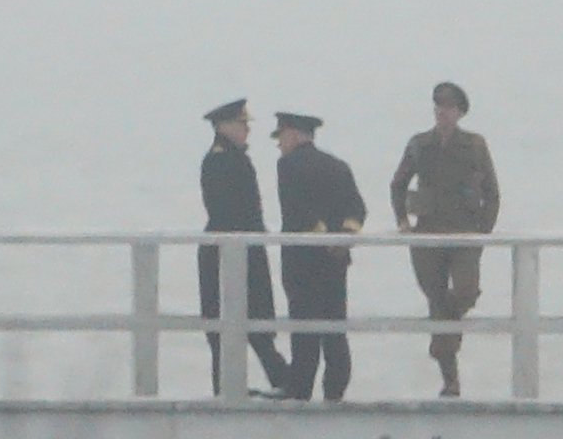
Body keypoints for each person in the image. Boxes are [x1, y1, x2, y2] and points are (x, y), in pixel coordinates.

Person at [390, 81, 500, 398]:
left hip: (464, 234)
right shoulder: (419, 144)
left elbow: (492, 192)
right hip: (427, 235)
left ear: (459, 112)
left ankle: (441, 342)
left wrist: (484, 231)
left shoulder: (474, 145)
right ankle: (450, 380)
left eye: (449, 108)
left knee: (466, 291)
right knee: (437, 302)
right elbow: (398, 183)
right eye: (439, 107)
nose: (443, 113)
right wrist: (402, 220)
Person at [197, 99, 290, 398]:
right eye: (242, 123)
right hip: (229, 250)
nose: (247, 129)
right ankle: (242, 384)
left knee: (258, 319)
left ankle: (279, 380)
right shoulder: (221, 159)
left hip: (245, 247)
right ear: (223, 126)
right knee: (229, 322)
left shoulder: (233, 157)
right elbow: (227, 210)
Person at [273, 111, 367, 402]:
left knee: (304, 331)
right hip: (335, 261)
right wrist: (344, 236)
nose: (279, 144)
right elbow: (357, 208)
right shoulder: (338, 166)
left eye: (281, 136)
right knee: (335, 328)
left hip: (302, 261)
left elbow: (296, 209)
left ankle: (300, 393)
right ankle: (335, 391)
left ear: (293, 134)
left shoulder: (287, 165)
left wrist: (321, 235)